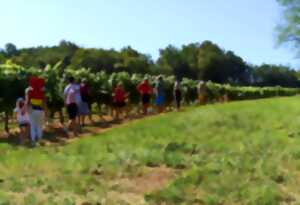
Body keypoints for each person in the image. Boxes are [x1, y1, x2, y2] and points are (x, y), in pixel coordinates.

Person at [26, 77, 46, 147]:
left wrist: (27, 110)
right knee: (39, 126)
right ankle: (40, 139)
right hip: (40, 110)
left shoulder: (30, 91)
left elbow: (28, 102)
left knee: (32, 126)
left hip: (32, 110)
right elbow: (44, 102)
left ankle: (33, 141)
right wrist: (45, 111)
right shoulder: (42, 92)